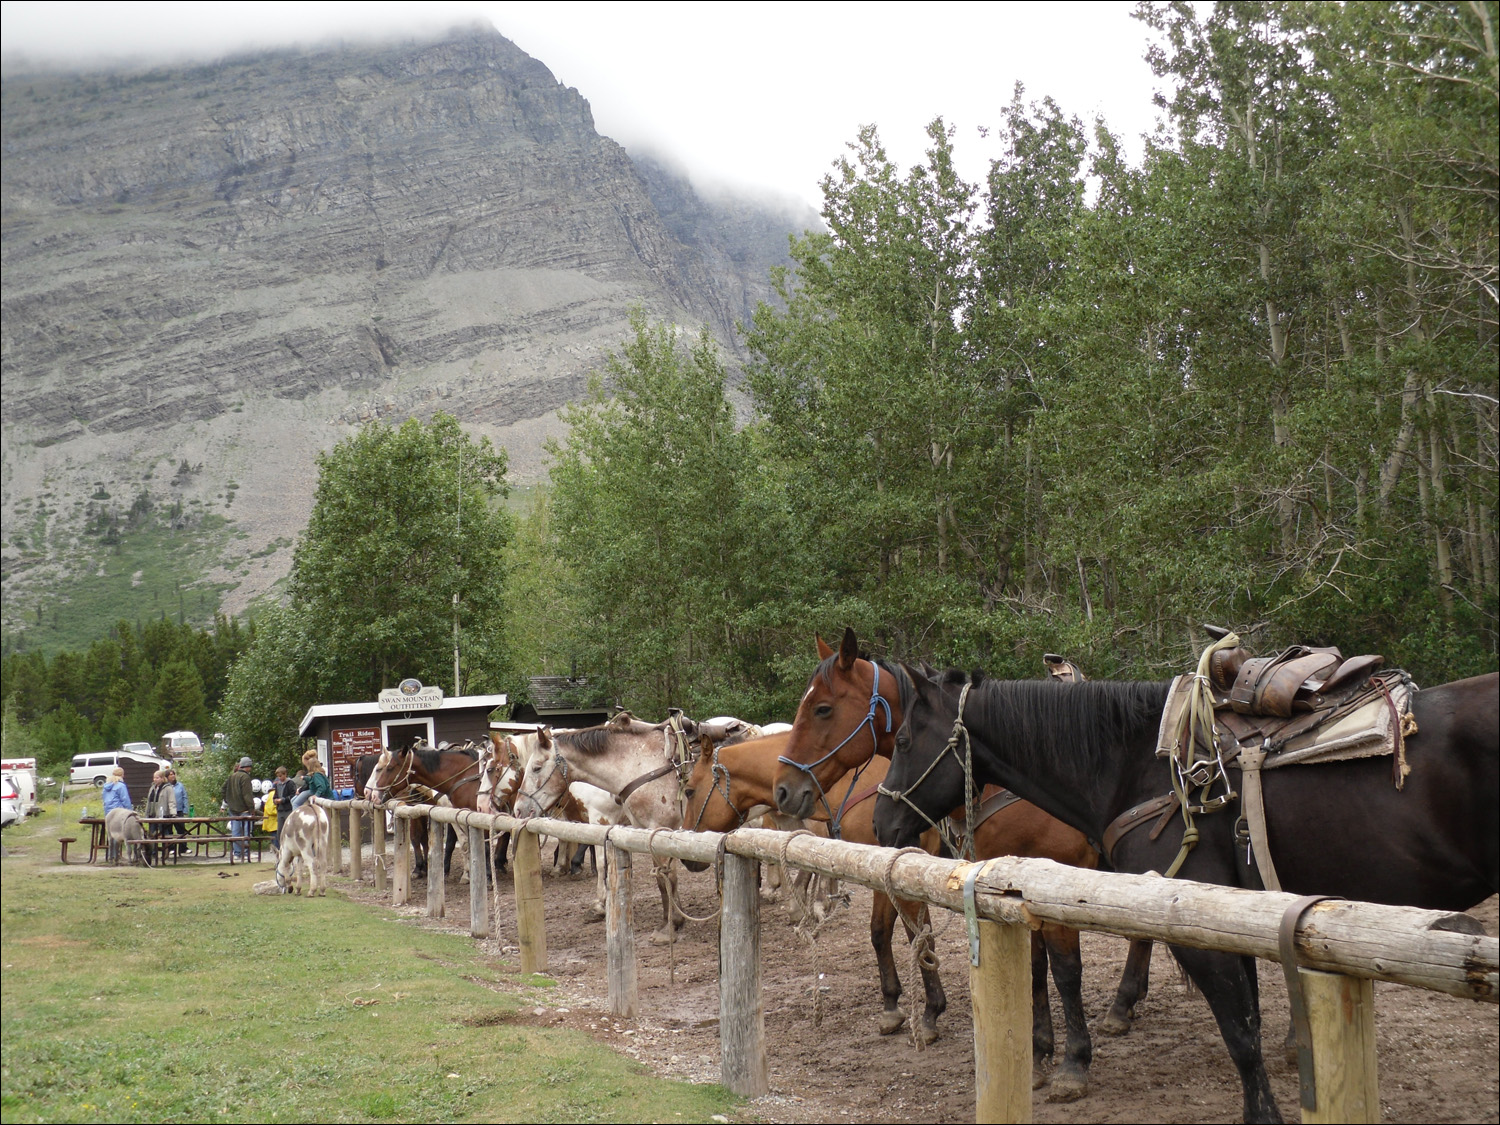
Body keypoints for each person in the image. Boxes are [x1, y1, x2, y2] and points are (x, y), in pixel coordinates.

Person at [221, 756, 255, 860]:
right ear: (248, 766)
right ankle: (245, 853)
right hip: (244, 809)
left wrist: (228, 800)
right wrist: (252, 808)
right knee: (246, 831)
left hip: (233, 809)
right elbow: (247, 795)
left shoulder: (232, 776)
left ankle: (236, 853)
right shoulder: (245, 777)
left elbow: (223, 789)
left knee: (235, 831)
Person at [144, 770, 177, 865]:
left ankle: (166, 851)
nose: (155, 779)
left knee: (165, 833)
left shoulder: (168, 788)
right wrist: (147, 814)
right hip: (152, 815)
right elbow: (148, 802)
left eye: (157, 777)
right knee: (152, 834)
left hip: (164, 815)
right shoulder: (152, 788)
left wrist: (173, 813)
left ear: (162, 778)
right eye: (154, 778)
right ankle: (153, 852)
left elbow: (172, 801)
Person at [101, 768, 133, 863]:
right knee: (119, 833)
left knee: (111, 835)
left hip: (108, 813)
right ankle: (117, 855)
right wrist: (130, 812)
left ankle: (111, 856)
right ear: (122, 775)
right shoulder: (121, 786)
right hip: (119, 813)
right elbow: (125, 800)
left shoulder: (105, 787)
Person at [270, 766, 296, 849]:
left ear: (285, 774)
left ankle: (291, 846)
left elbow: (293, 795)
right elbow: (275, 795)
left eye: (281, 776)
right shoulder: (277, 785)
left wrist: (283, 800)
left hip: (288, 809)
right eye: (278, 776)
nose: (279, 778)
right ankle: (282, 847)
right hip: (280, 810)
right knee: (280, 831)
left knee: (289, 829)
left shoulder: (290, 783)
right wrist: (275, 800)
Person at [168, 768, 190, 856]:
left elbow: (184, 797)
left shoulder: (180, 785)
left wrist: (185, 809)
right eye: (170, 774)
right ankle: (170, 848)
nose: (173, 776)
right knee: (169, 831)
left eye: (173, 774)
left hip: (179, 810)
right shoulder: (166, 786)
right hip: (169, 812)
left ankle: (183, 848)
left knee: (181, 830)